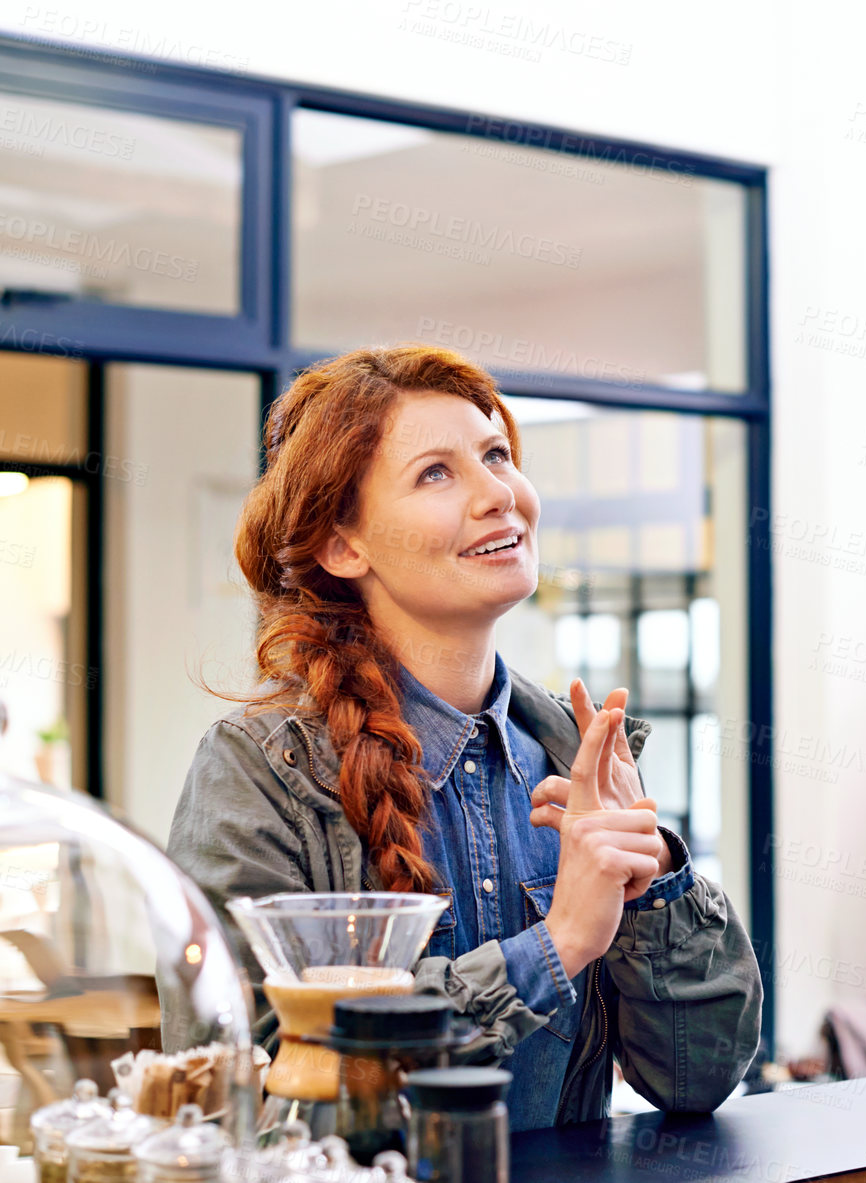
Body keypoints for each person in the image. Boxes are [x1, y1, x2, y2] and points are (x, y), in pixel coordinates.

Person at [167, 345, 762, 1131]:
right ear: (345, 545)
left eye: (497, 455)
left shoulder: (563, 754)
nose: (499, 495)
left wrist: (651, 885)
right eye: (436, 473)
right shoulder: (259, 770)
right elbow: (240, 1100)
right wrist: (556, 946)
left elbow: (697, 1079)